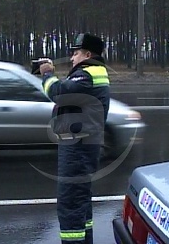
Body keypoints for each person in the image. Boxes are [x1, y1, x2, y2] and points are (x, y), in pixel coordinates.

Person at [39, 33, 110, 244]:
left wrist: (47, 74)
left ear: (87, 54)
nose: (72, 58)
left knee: (70, 202)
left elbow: (58, 93)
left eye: (76, 53)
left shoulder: (88, 74)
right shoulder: (89, 73)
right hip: (80, 143)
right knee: (80, 200)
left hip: (78, 145)